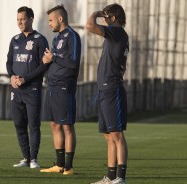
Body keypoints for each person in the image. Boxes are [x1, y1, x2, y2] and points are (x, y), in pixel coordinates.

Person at [86, 3, 129, 184]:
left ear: (113, 18)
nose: (103, 19)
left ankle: (120, 177)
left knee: (117, 135)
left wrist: (96, 13)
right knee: (108, 135)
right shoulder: (114, 35)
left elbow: (89, 26)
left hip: (112, 89)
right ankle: (110, 177)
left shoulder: (118, 32)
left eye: (106, 16)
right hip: (104, 89)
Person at [39, 5, 81, 175]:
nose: (49, 23)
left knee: (67, 126)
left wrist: (54, 57)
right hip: (52, 85)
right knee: (54, 124)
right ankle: (59, 164)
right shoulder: (56, 39)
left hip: (65, 86)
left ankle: (69, 167)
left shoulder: (73, 36)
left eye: (51, 20)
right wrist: (47, 62)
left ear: (60, 19)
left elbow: (72, 63)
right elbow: (55, 61)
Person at [6, 6, 49, 169]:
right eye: (18, 19)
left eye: (22, 19)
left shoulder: (40, 39)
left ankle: (34, 159)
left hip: (32, 89)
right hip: (16, 90)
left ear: (31, 19)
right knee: (18, 123)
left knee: (33, 125)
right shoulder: (15, 39)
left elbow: (44, 65)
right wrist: (12, 76)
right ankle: (25, 157)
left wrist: (25, 79)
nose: (20, 22)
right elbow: (9, 61)